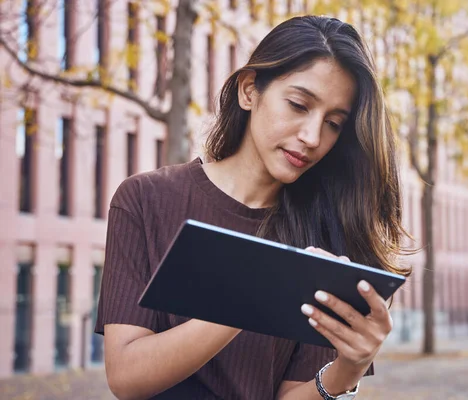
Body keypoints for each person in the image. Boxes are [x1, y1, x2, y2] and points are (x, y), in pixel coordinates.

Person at [95, 15, 411, 400]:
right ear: (249, 90)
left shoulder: (326, 239)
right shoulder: (145, 199)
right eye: (298, 105)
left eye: (333, 123)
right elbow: (126, 376)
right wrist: (261, 291)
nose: (312, 137)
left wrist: (349, 368)